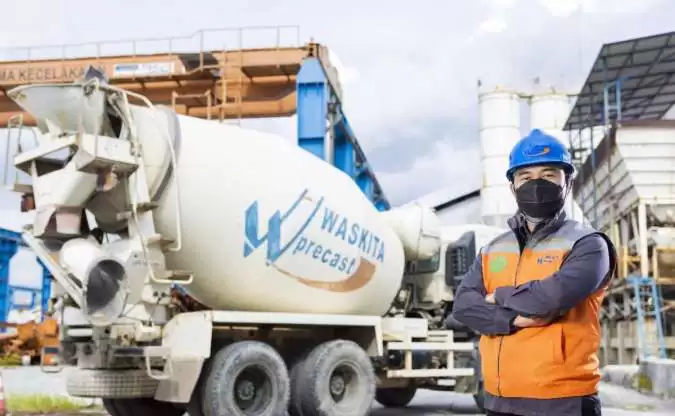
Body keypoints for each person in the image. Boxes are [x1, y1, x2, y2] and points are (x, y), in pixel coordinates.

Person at [449, 129, 617, 416]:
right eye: (525, 177)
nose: (536, 184)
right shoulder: (493, 248)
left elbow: (549, 299)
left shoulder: (589, 244)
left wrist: (497, 296)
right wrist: (512, 318)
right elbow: (463, 306)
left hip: (563, 402)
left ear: (567, 182)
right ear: (513, 186)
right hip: (498, 400)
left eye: (549, 175)